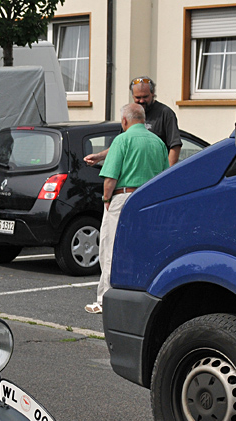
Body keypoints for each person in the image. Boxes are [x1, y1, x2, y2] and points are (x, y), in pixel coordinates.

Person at [85, 103, 168, 314]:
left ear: (124, 121)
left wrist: (106, 199)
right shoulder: (158, 142)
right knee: (143, 248)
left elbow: (110, 178)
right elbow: (164, 176)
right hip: (150, 199)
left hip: (123, 197)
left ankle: (105, 299)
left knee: (111, 248)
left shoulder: (122, 140)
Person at [85, 76, 182, 167]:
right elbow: (120, 146)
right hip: (134, 174)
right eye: (138, 98)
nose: (141, 101)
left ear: (153, 94)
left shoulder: (165, 113)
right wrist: (99, 156)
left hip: (156, 172)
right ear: (132, 96)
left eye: (145, 97)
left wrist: (166, 174)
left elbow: (175, 146)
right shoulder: (131, 113)